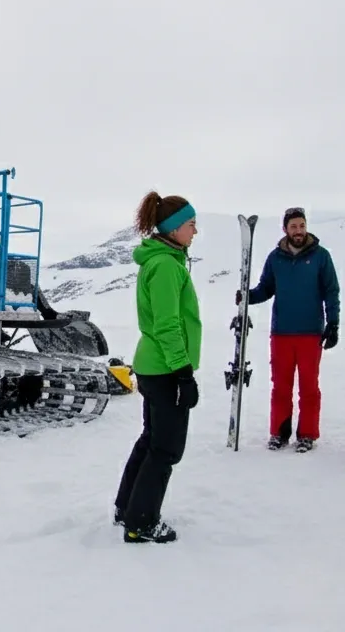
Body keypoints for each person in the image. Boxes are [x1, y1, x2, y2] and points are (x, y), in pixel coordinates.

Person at [113, 190, 202, 544]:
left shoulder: (163, 261)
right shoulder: (165, 266)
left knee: (152, 440)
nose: (195, 231)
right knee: (166, 448)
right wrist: (183, 373)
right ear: (174, 228)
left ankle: (127, 507)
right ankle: (141, 522)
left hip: (155, 365)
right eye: (191, 224)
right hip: (165, 368)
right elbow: (167, 325)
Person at [237, 206, 341, 452]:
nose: (298, 230)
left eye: (302, 225)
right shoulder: (276, 258)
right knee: (280, 386)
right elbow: (266, 288)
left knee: (309, 387)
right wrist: (247, 296)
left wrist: (333, 322)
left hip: (310, 333)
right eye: (293, 226)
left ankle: (307, 434)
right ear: (285, 229)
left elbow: (331, 291)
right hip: (281, 333)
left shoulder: (321, 256)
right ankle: (279, 433)